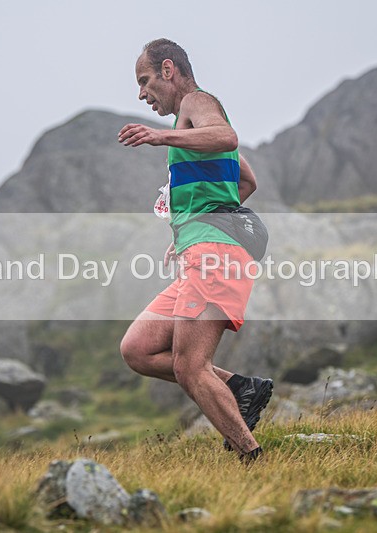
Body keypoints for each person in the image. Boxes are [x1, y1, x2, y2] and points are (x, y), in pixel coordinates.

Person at [117, 38, 272, 462]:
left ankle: (251, 457)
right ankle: (242, 389)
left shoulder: (197, 103)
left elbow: (226, 136)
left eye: (145, 81)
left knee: (189, 366)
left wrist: (159, 137)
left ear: (169, 70)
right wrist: (190, 224)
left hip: (215, 255)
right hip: (201, 251)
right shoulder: (190, 122)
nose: (142, 93)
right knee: (138, 348)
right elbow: (247, 180)